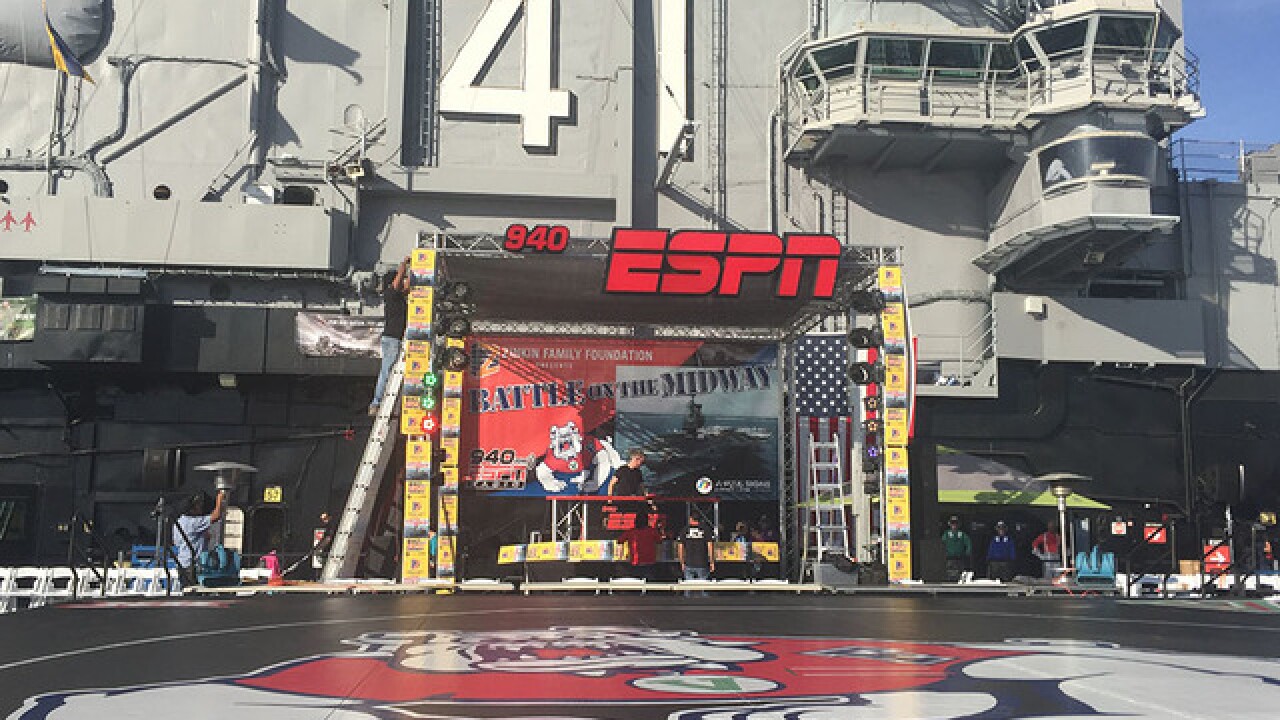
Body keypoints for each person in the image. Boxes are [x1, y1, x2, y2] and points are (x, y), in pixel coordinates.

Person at [369, 258, 410, 416]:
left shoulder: (399, 297)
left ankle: (380, 401)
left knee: (389, 370)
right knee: (386, 371)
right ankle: (377, 402)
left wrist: (415, 269)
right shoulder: (391, 294)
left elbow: (407, 285)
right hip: (393, 338)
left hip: (394, 338)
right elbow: (399, 281)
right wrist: (404, 265)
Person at [173, 489, 227, 585]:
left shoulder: (179, 521)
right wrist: (219, 500)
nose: (200, 508)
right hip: (192, 566)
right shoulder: (192, 522)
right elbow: (216, 516)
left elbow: (177, 542)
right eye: (197, 506)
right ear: (191, 508)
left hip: (182, 564)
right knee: (195, 590)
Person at [618, 511, 663, 581]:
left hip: (635, 562)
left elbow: (620, 541)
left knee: (636, 584)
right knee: (649, 584)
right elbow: (660, 542)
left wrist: (621, 555)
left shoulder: (631, 532)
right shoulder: (652, 531)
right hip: (649, 562)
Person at [677, 516, 715, 596]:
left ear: (690, 518)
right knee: (704, 588)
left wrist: (682, 562)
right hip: (702, 562)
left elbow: (680, 547)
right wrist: (712, 561)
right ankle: (704, 606)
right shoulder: (706, 529)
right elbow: (710, 546)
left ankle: (688, 605)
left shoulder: (685, 530)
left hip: (688, 562)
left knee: (688, 588)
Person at [942, 516, 972, 582]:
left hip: (960, 558)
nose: (954, 525)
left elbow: (968, 543)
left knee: (960, 574)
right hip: (949, 558)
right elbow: (942, 544)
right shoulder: (946, 534)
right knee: (949, 573)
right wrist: (943, 554)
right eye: (952, 523)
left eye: (956, 523)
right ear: (949, 524)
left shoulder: (962, 534)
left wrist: (967, 553)